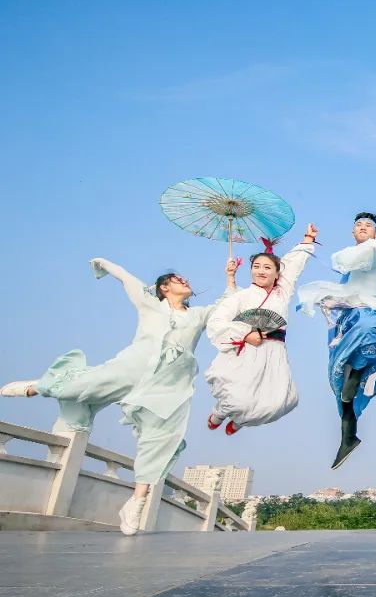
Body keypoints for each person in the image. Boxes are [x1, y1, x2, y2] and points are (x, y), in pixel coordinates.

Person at [3, 257, 236, 535]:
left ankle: (136, 502)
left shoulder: (198, 315)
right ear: (163, 288)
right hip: (131, 367)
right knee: (82, 386)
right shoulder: (149, 304)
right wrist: (101, 264)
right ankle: (38, 387)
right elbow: (126, 277)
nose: (184, 280)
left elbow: (227, 307)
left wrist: (230, 277)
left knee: (161, 437)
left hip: (167, 384)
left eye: (184, 279)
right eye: (177, 279)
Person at [297, 212, 376, 470]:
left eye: (368, 225)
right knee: (339, 384)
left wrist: (366, 248)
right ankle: (348, 438)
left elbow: (348, 259)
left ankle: (358, 372)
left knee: (368, 328)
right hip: (344, 324)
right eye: (358, 225)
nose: (363, 227)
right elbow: (344, 269)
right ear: (352, 232)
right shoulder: (356, 256)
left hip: (368, 313)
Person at [204, 225, 318, 435]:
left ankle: (240, 422)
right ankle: (219, 413)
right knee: (238, 399)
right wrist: (246, 334)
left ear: (277, 273)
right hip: (248, 351)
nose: (261, 271)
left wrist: (308, 239)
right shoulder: (241, 296)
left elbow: (293, 266)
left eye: (267, 267)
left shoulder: (282, 292)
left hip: (275, 353)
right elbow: (217, 321)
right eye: (256, 266)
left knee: (280, 402)